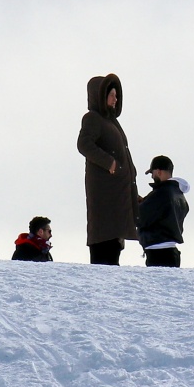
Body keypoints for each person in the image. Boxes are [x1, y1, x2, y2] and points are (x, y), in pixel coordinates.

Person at [77, 73, 140, 265]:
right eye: (111, 95)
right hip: (105, 197)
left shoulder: (112, 123)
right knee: (104, 248)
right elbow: (84, 144)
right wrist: (110, 163)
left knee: (114, 246)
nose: (115, 99)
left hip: (118, 197)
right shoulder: (92, 118)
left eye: (116, 95)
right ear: (100, 95)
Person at [137, 156, 190, 267]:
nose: (152, 176)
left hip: (159, 254)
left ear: (159, 172)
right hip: (170, 252)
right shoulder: (177, 193)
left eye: (152, 173)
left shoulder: (162, 193)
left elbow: (139, 217)